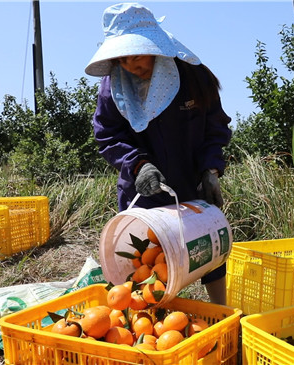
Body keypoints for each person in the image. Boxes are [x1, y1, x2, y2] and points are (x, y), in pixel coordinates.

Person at [85, 3, 232, 305]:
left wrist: (211, 170)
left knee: (208, 248)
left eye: (136, 54)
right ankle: (158, 319)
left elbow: (215, 127)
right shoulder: (114, 88)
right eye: (122, 59)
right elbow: (108, 134)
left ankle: (221, 312)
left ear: (154, 45)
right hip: (144, 187)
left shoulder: (192, 77)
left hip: (191, 182)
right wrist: (137, 164)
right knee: (149, 260)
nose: (131, 65)